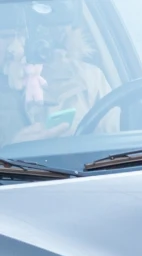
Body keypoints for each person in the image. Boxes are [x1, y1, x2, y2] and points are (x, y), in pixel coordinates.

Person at [1, 0, 115, 146]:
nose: (15, 45)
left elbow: (115, 144)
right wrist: (11, 150)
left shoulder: (87, 79)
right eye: (6, 35)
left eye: (24, 33)